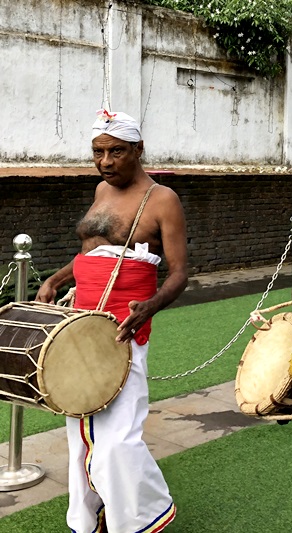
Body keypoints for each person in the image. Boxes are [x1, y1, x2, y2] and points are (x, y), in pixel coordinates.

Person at [35, 110, 187, 532]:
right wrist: (56, 278)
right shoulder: (102, 189)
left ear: (138, 150)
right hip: (79, 328)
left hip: (123, 332)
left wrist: (151, 305)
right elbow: (91, 253)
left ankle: (141, 516)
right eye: (98, 152)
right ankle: (92, 517)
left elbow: (179, 272)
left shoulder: (162, 199)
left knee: (117, 442)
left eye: (116, 151)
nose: (105, 162)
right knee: (80, 434)